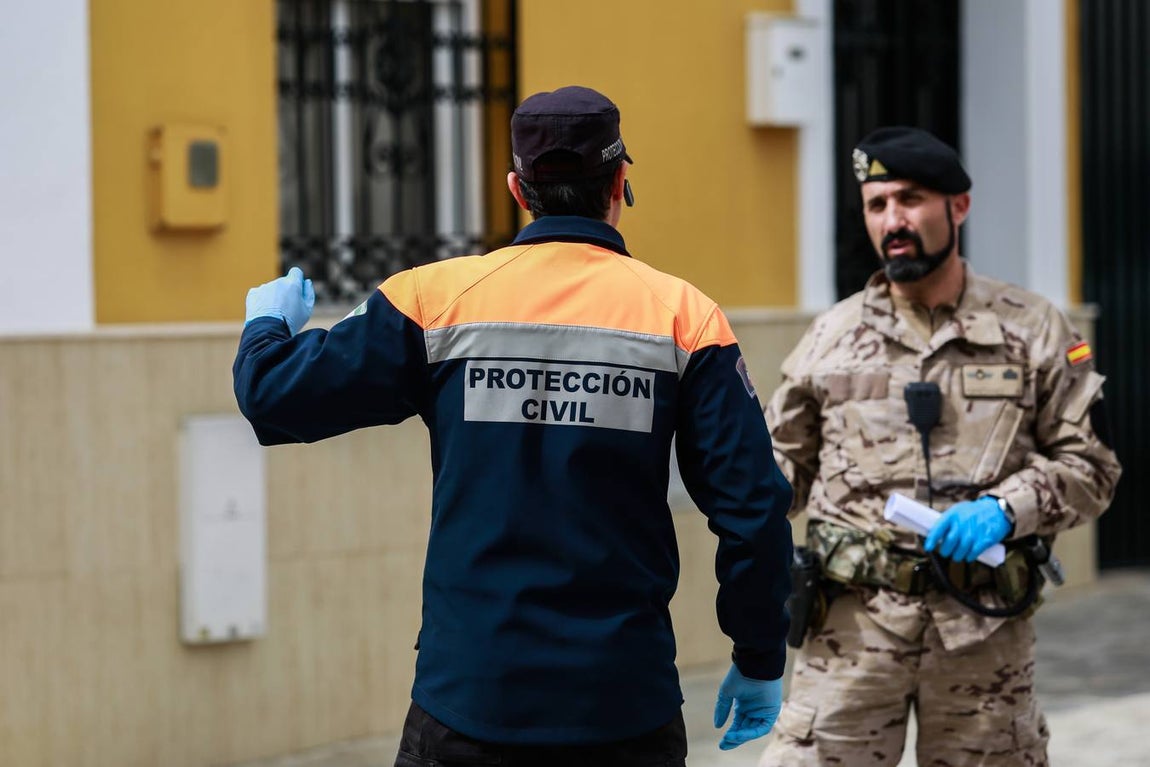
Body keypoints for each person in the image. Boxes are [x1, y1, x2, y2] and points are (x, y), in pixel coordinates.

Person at [233, 85, 795, 766]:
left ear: (516, 188)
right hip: (623, 706)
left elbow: (272, 396)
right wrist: (759, 653)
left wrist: (268, 323)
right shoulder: (685, 317)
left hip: (470, 703)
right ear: (619, 184)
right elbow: (754, 508)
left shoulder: (432, 302)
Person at [758, 126, 1121, 766]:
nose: (893, 221)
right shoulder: (830, 337)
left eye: (911, 199)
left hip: (982, 634)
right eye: (877, 205)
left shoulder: (1031, 328)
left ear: (959, 205)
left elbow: (1091, 467)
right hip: (851, 636)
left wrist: (1007, 510)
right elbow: (777, 476)